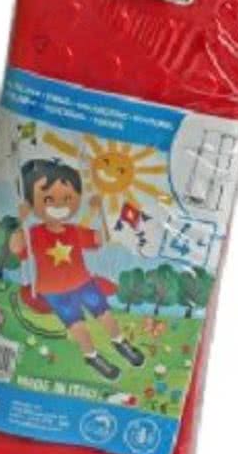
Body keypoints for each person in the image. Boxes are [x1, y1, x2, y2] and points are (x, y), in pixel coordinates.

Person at [9, 159, 145, 380]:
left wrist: (99, 212)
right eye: (48, 199)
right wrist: (20, 221)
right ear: (32, 203)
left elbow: (100, 239)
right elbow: (16, 248)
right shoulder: (33, 234)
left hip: (83, 283)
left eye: (67, 198)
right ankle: (92, 356)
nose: (59, 205)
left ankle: (120, 342)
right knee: (77, 325)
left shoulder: (74, 231)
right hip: (54, 290)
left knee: (104, 313)